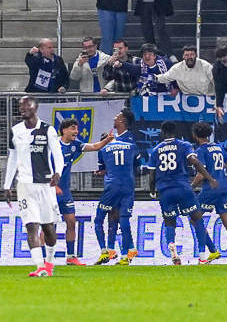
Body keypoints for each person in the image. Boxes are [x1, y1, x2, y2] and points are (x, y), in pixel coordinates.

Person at [3, 97, 64, 277]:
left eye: (27, 105)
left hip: (45, 184)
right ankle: (39, 267)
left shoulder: (47, 130)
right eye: (20, 106)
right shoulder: (16, 131)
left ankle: (50, 263)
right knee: (31, 226)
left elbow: (57, 154)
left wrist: (58, 173)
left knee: (48, 228)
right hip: (25, 184)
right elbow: (12, 158)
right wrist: (7, 185)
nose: (23, 108)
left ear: (36, 108)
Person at [148, 120, 218, 266]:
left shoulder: (156, 150)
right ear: (175, 131)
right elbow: (195, 161)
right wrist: (210, 178)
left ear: (162, 132)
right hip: (182, 187)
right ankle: (203, 257)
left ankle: (172, 246)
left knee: (169, 221)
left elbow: (152, 174)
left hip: (165, 190)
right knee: (197, 218)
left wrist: (152, 191)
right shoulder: (184, 145)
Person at [55, 117, 112, 266]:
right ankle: (43, 259)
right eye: (73, 128)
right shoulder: (53, 145)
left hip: (65, 191)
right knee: (48, 225)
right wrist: (52, 185)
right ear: (64, 130)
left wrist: (107, 141)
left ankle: (71, 257)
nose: (76, 132)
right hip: (51, 190)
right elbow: (43, 166)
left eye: (77, 128)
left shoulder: (75, 144)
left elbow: (94, 147)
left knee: (71, 222)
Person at [93, 109, 139, 266]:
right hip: (125, 184)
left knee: (107, 217)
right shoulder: (122, 140)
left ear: (122, 120)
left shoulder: (129, 138)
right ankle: (118, 251)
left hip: (114, 185)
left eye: (117, 116)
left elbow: (134, 164)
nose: (114, 117)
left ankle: (114, 250)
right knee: (115, 217)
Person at [191, 122, 227, 264]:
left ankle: (213, 250)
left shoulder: (201, 150)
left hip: (210, 189)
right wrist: (220, 168)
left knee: (194, 219)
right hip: (224, 188)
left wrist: (191, 187)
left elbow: (201, 175)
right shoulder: (218, 147)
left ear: (195, 135)